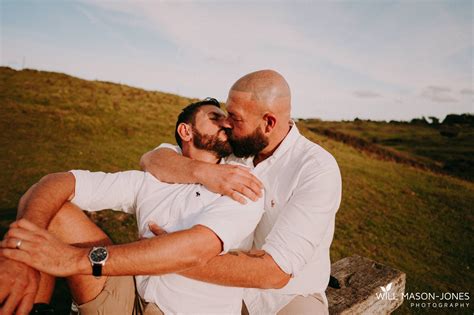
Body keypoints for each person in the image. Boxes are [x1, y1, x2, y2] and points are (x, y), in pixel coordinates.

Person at [0, 98, 266, 315]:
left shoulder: (241, 183)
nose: (227, 124)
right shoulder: (154, 176)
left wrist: (71, 260)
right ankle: (37, 308)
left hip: (185, 309)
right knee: (54, 211)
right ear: (186, 131)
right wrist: (19, 254)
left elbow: (194, 250)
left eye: (227, 118)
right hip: (127, 296)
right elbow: (56, 182)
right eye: (215, 117)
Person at [140, 69, 342, 314]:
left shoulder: (316, 169)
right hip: (217, 289)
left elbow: (275, 272)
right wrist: (204, 172)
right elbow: (152, 159)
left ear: (268, 123)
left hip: (287, 296)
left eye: (235, 117)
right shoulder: (231, 146)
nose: (226, 123)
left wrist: (173, 257)